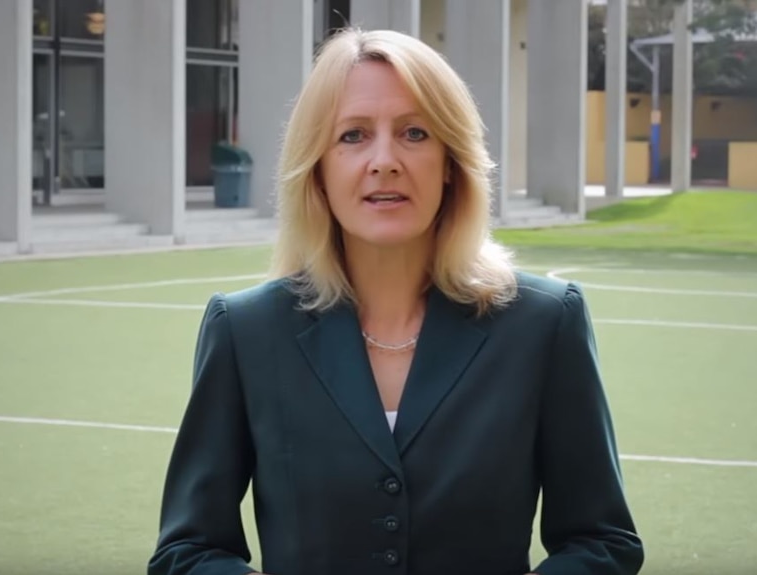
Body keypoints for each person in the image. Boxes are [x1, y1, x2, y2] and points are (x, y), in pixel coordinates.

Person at [148, 27, 644, 575]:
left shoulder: (545, 322)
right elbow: (187, 551)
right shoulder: (245, 331)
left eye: (414, 133)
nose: (384, 160)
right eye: (353, 136)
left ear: (452, 163)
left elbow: (601, 542)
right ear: (317, 169)